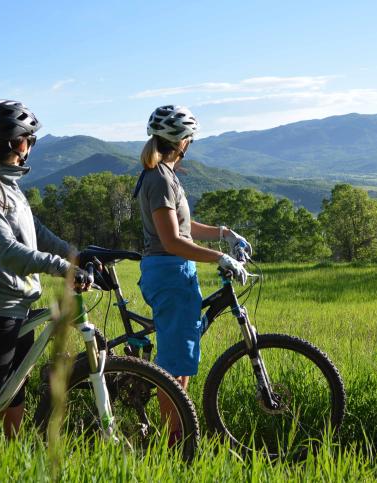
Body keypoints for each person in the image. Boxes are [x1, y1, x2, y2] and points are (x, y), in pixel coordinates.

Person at [0, 99, 90, 438]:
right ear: (19, 144)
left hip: (20, 307)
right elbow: (6, 250)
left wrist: (76, 256)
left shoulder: (10, 188)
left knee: (16, 388)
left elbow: (39, 234)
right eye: (30, 138)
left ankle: (9, 452)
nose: (31, 145)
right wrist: (60, 267)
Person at [134, 105, 250, 437]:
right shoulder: (159, 179)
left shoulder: (164, 175)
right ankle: (176, 444)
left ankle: (178, 435)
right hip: (170, 272)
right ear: (183, 141)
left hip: (175, 272)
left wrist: (225, 234)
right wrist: (219, 258)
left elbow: (184, 228)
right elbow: (171, 241)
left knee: (180, 359)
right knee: (171, 366)